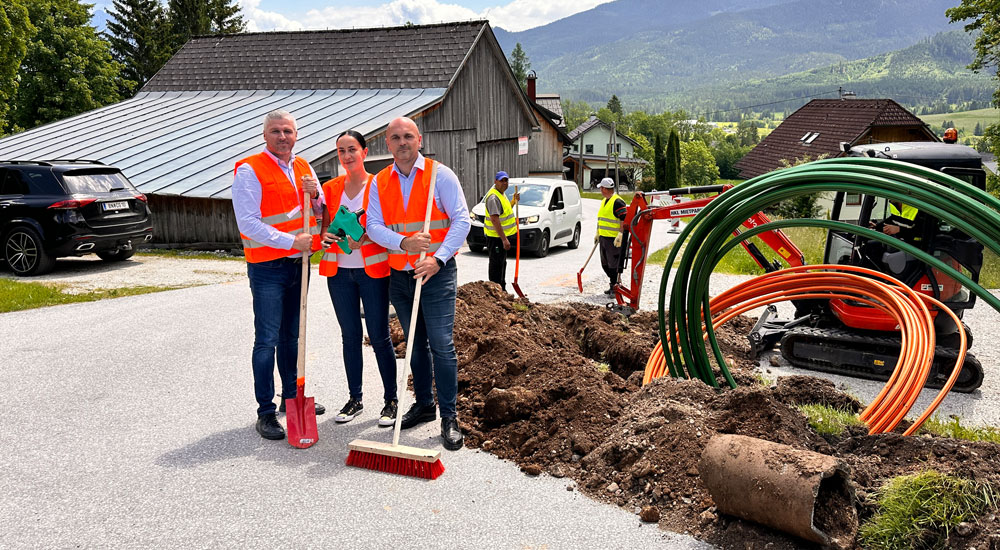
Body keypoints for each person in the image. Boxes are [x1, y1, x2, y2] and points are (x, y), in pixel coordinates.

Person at [365, 117, 471, 451]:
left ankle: (449, 417)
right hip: (401, 275)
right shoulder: (380, 182)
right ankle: (425, 405)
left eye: (408, 136)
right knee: (415, 345)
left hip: (436, 274)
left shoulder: (441, 175)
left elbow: (462, 220)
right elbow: (373, 225)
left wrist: (437, 258)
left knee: (442, 345)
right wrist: (403, 243)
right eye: (395, 138)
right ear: (387, 144)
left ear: (419, 140)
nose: (402, 142)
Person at [232, 109, 326, 441]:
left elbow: (320, 208)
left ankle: (292, 399)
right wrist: (291, 241)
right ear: (264, 135)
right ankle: (265, 411)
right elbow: (249, 224)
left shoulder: (303, 167)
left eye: (287, 130)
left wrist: (315, 194)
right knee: (267, 339)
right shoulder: (249, 170)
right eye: (275, 131)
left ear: (296, 134)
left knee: (292, 336)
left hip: (298, 264)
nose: (282, 136)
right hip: (268, 267)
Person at [318, 130, 398, 426]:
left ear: (365, 152)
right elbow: (324, 227)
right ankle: (355, 398)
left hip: (372, 272)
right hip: (338, 272)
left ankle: (391, 400)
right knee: (349, 337)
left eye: (352, 149)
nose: (347, 156)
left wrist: (365, 238)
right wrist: (324, 237)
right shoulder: (331, 188)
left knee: (379, 336)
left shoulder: (379, 185)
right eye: (341, 151)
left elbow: (387, 227)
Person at [483, 170, 519, 291]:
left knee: (502, 263)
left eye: (506, 180)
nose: (504, 183)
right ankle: (495, 290)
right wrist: (504, 240)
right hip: (496, 238)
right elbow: (495, 220)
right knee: (496, 265)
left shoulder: (501, 194)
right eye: (501, 181)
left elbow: (504, 212)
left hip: (501, 237)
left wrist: (513, 201)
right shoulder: (493, 197)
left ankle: (501, 289)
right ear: (495, 182)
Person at [596, 177, 627, 295]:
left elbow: (623, 219)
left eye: (601, 188)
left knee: (613, 264)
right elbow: (601, 219)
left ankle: (614, 287)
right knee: (605, 264)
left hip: (614, 240)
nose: (600, 190)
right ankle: (614, 283)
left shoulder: (618, 202)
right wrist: (597, 233)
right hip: (604, 238)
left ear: (605, 189)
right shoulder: (604, 201)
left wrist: (620, 234)